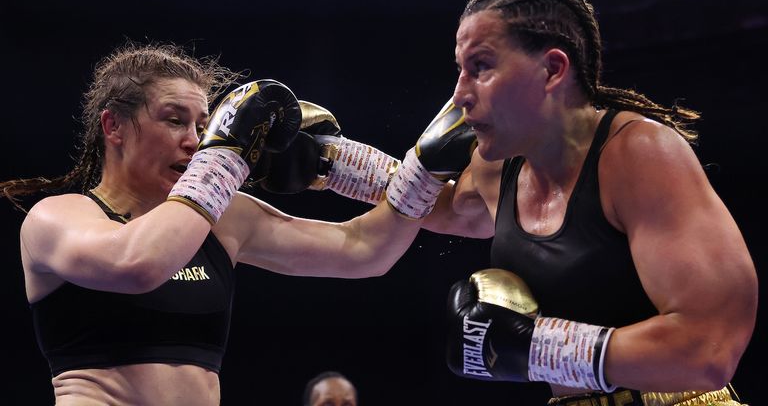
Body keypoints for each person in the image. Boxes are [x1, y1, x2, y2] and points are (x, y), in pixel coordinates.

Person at [1, 41, 473, 405]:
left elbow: (365, 250)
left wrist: (420, 171)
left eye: (203, 126)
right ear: (114, 127)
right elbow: (138, 262)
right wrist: (225, 154)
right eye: (173, 120)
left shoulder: (223, 220)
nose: (194, 142)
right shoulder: (57, 218)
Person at [418, 0, 757, 405]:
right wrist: (331, 161)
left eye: (481, 66)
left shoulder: (638, 154)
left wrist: (536, 349)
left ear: (553, 69)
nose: (460, 95)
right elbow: (433, 206)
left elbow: (709, 350)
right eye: (460, 69)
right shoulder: (500, 168)